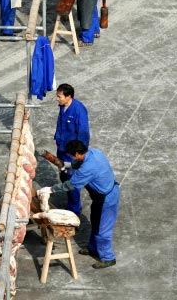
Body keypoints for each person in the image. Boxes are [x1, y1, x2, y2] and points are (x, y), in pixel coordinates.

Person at [41, 140, 119, 269]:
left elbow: (71, 185)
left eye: (72, 155)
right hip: (103, 195)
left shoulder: (87, 169)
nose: (72, 157)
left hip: (106, 199)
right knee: (95, 222)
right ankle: (93, 248)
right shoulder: (95, 152)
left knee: (101, 229)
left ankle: (108, 258)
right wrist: (69, 165)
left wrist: (51, 189)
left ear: (77, 153)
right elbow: (80, 162)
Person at [53, 84, 90, 215]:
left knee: (72, 181)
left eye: (59, 96)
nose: (57, 99)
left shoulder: (79, 110)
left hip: (71, 153)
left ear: (69, 96)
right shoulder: (63, 107)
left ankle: (74, 211)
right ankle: (70, 199)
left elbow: (84, 133)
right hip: (62, 150)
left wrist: (78, 153)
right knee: (64, 176)